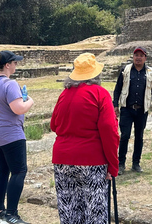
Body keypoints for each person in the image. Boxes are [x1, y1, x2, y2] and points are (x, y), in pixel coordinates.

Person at [51, 53, 119, 224]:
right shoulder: (100, 94)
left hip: (62, 159)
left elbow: (54, 125)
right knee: (95, 212)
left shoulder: (64, 94)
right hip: (91, 160)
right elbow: (109, 131)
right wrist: (113, 165)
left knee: (69, 211)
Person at [0, 50, 34, 224]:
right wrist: (30, 101)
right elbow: (18, 108)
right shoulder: (10, 84)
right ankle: (11, 214)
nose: (16, 65)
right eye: (14, 62)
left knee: (2, 171)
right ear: (7, 65)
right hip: (11, 134)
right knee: (19, 171)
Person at [113, 46, 152, 175]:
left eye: (141, 55)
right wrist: (115, 105)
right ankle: (120, 163)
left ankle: (136, 163)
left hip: (142, 110)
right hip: (127, 109)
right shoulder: (125, 70)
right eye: (136, 55)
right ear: (133, 57)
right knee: (125, 136)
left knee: (139, 137)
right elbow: (118, 89)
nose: (138, 58)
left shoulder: (150, 71)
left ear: (145, 58)